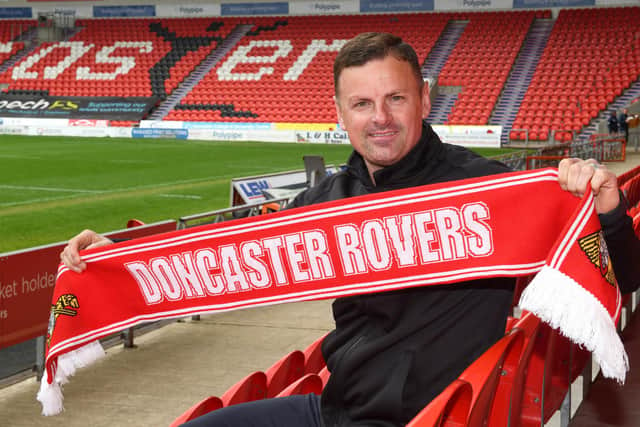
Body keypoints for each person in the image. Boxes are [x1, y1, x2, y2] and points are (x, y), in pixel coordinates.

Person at [60, 33, 640, 427]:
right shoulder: (325, 203)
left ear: (424, 100)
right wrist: (124, 257)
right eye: (362, 103)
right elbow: (221, 259)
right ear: (340, 113)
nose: (380, 118)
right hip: (337, 408)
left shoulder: (488, 191)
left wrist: (609, 212)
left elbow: (627, 276)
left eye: (395, 98)